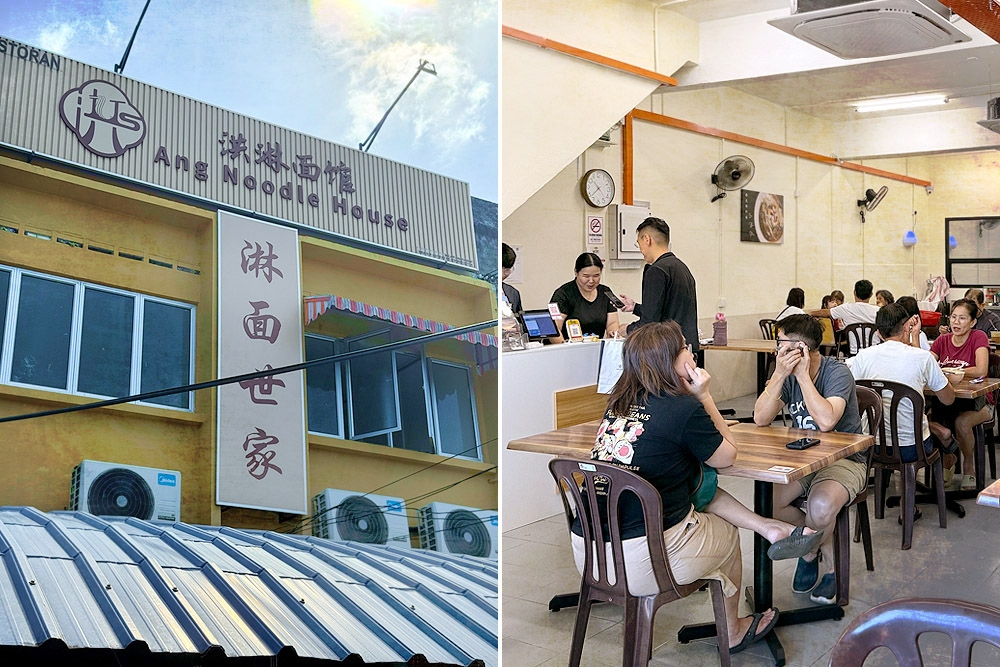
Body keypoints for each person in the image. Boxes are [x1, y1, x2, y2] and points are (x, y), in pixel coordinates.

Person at [577, 322, 826, 653]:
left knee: (697, 485)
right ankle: (734, 629)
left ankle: (770, 528)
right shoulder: (682, 408)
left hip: (590, 554)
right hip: (639, 561)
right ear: (667, 360)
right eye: (683, 348)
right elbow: (727, 456)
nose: (690, 352)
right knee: (726, 534)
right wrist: (704, 396)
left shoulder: (618, 403)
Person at [753, 314, 866, 605]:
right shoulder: (785, 375)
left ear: (800, 349)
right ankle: (809, 550)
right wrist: (779, 375)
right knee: (770, 501)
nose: (776, 349)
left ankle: (827, 565)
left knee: (821, 505)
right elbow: (760, 417)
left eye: (781, 344)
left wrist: (803, 375)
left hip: (845, 459)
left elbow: (827, 421)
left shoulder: (836, 372)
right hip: (803, 456)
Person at [849, 304, 956, 521]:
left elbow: (851, 392)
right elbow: (948, 398)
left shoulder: (862, 356)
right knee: (924, 432)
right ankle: (908, 507)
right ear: (907, 326)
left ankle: (892, 505)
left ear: (878, 332)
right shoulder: (922, 358)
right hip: (911, 449)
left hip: (872, 445)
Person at [929, 298, 991, 491]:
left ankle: (968, 467)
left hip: (978, 403)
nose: (956, 322)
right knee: (936, 416)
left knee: (961, 422)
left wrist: (948, 370)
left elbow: (981, 369)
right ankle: (948, 460)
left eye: (962, 318)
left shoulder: (978, 337)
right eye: (953, 317)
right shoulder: (942, 340)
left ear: (972, 322)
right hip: (947, 398)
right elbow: (928, 364)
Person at [617, 217, 699, 352]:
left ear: (647, 239)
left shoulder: (656, 270)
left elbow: (650, 322)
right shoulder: (681, 267)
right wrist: (635, 307)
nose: (640, 250)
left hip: (667, 350)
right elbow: (667, 309)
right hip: (686, 348)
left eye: (639, 244)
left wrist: (626, 329)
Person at [549, 253, 619, 338]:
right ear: (576, 272)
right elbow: (554, 330)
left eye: (596, 276)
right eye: (586, 276)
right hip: (568, 347)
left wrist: (612, 332)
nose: (591, 281)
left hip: (596, 345)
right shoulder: (562, 294)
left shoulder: (605, 292)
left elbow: (613, 322)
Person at [811, 279, 879, 355]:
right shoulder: (879, 311)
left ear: (854, 292)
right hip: (874, 353)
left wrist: (809, 313)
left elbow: (825, 312)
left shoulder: (845, 308)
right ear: (871, 294)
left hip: (854, 352)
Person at [501, 243, 522, 317]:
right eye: (503, 269)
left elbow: (520, 321)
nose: (505, 274)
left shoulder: (513, 293)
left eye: (508, 270)